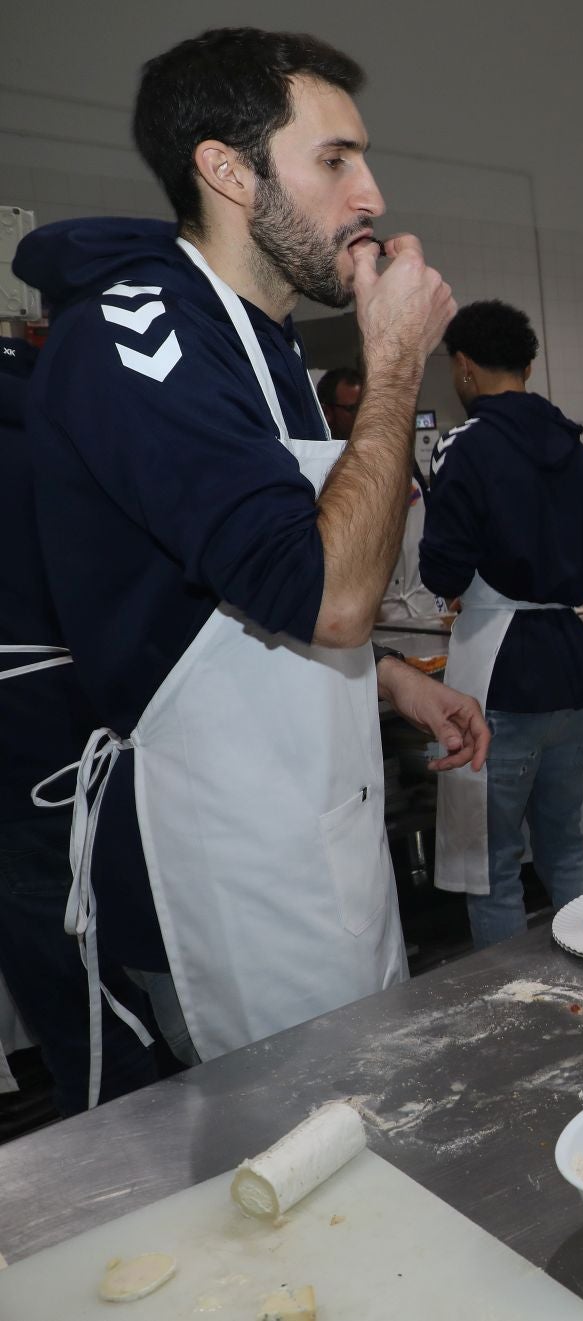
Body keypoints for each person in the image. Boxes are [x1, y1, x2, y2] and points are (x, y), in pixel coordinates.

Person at [13, 27, 491, 1083]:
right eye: (334, 160)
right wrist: (397, 363)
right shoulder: (140, 338)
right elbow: (325, 598)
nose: (370, 194)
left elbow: (233, 582)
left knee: (375, 1142)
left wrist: (394, 689)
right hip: (224, 870)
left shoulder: (266, 342)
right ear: (226, 170)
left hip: (325, 829)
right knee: (293, 1182)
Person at [420, 300, 583, 947]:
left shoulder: (465, 447)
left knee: (493, 866)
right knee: (566, 848)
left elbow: (441, 569)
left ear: (464, 367)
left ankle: (512, 1014)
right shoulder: (577, 447)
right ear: (529, 366)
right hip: (571, 660)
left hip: (497, 674)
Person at [0, 336, 161, 1114]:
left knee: (68, 971)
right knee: (98, 943)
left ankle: (129, 1146)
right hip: (90, 712)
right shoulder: (64, 418)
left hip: (22, 734)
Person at [322, 366, 439, 621]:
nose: (365, 417)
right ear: (328, 412)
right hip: (366, 616)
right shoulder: (325, 471)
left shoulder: (399, 457)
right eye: (353, 410)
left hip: (422, 605)